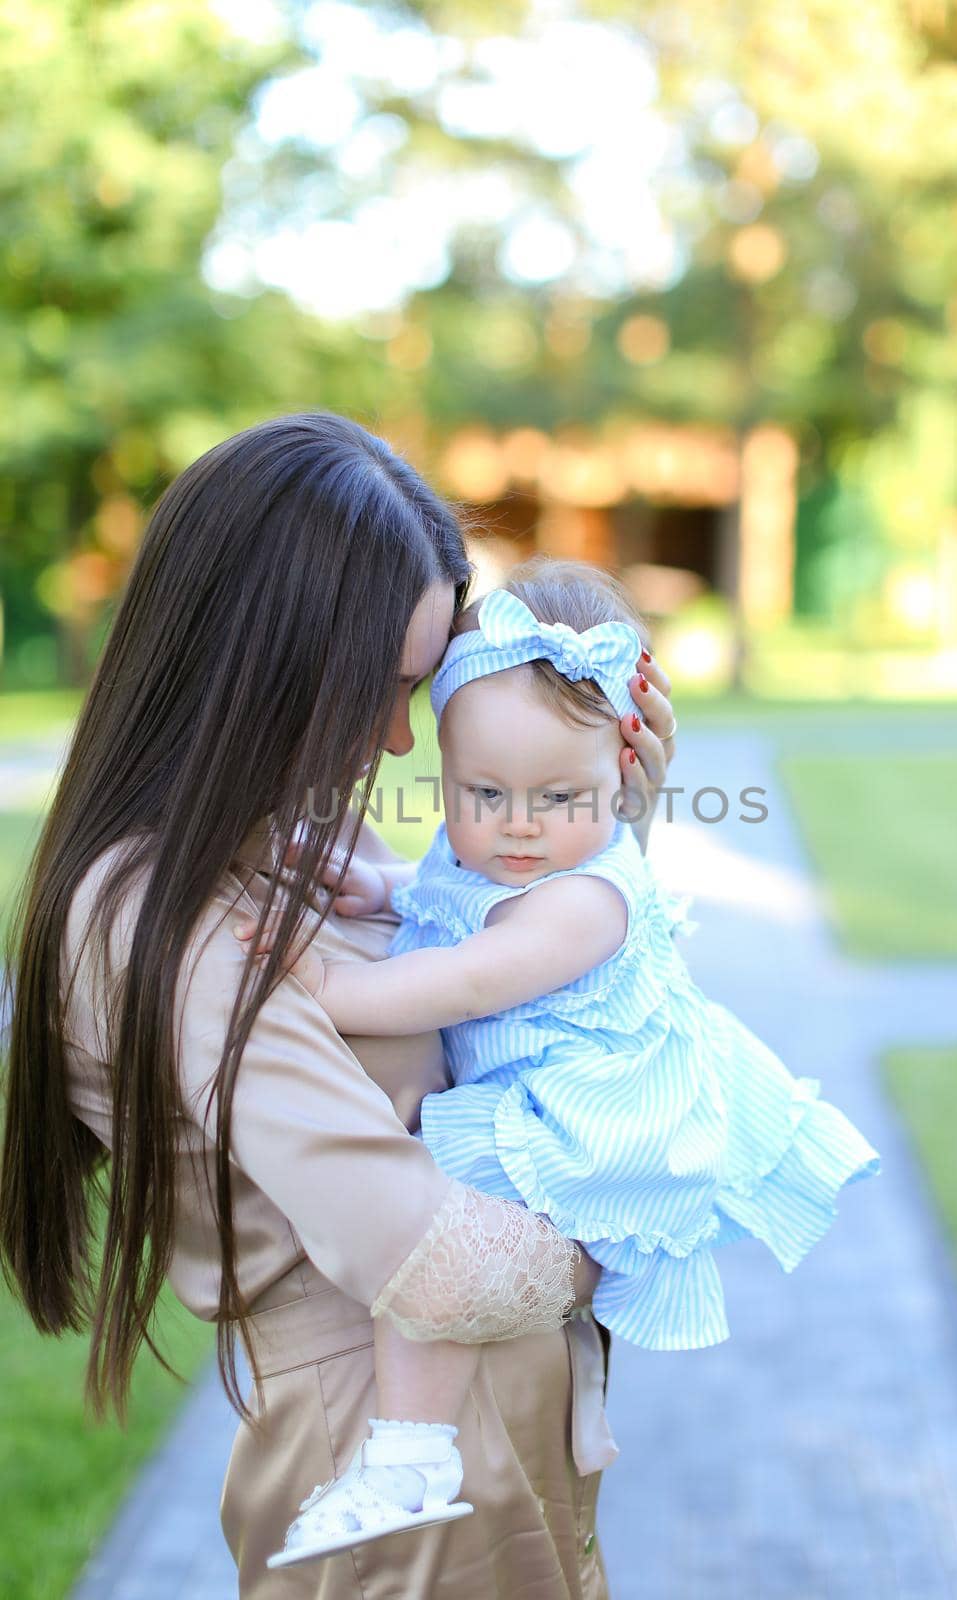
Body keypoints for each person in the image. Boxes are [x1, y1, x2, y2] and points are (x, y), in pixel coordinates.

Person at [0, 415, 677, 1599]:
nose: (396, 734)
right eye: (385, 685)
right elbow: (432, 1262)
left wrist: (610, 843)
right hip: (391, 1472)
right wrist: (641, 1218)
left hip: (502, 1437)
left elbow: (508, 992)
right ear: (266, 659)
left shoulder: (302, 835)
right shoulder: (156, 918)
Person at [237, 558, 882, 1570]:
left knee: (438, 1231)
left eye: (559, 795)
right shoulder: (500, 848)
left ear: (622, 776)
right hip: (540, 1092)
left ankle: (411, 1452)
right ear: (444, 774)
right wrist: (370, 884)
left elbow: (456, 979)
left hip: (587, 1119)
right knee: (442, 1238)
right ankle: (472, 1433)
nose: (520, 826)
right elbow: (448, 892)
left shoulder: (587, 899)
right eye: (481, 792)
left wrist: (315, 977)